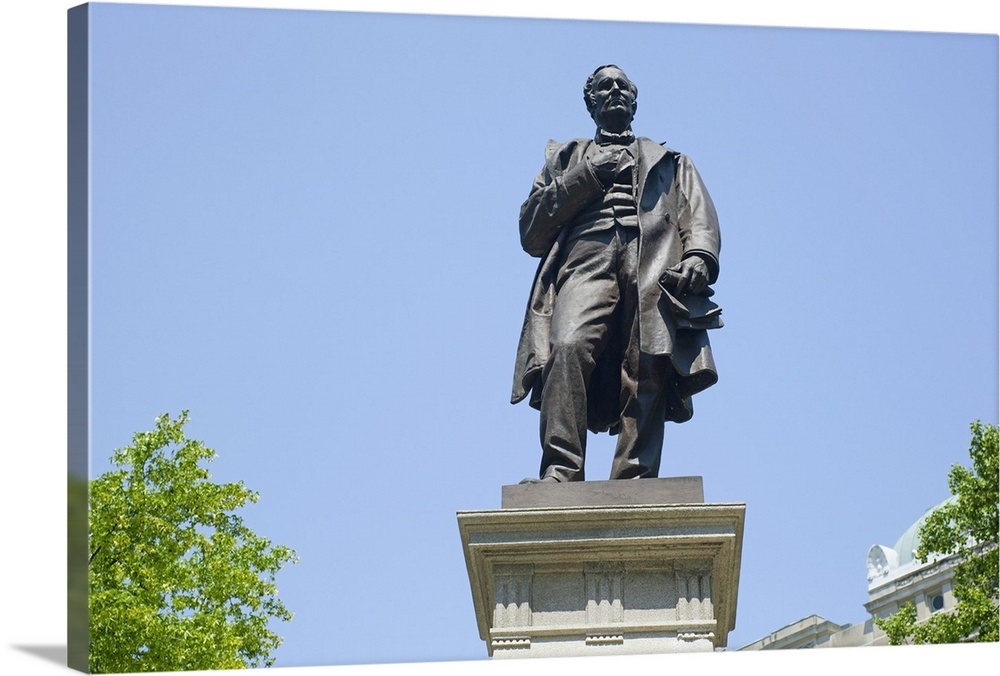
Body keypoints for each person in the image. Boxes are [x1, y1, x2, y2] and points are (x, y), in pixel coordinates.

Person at [511, 64, 722, 482]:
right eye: (604, 86)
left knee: (649, 361)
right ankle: (561, 468)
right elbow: (531, 231)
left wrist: (699, 256)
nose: (614, 91)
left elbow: (697, 215)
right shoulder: (566, 158)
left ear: (634, 100)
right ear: (590, 102)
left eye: (622, 86)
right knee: (567, 346)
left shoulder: (671, 162)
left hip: (653, 261)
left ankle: (636, 475)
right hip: (585, 259)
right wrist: (588, 177)